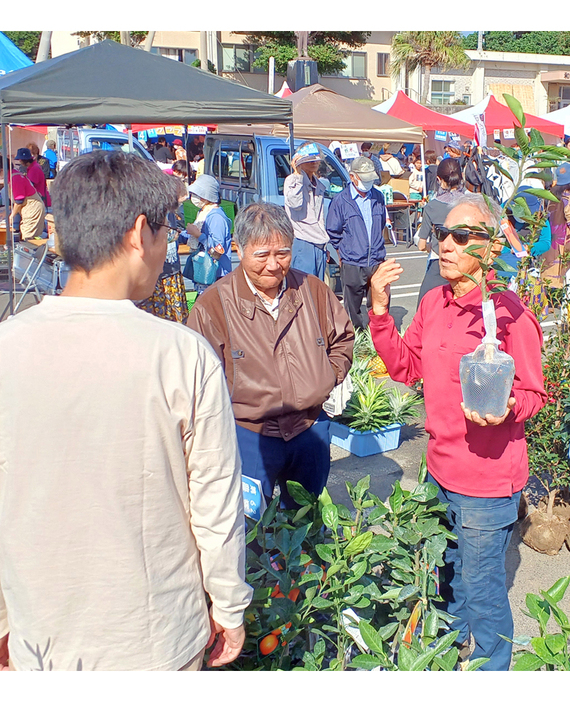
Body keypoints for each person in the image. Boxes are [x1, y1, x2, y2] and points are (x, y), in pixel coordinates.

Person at [0, 150, 252, 671]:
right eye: (165, 232)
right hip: (156, 634)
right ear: (141, 233)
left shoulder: (8, 347)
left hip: (38, 634)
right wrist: (228, 604)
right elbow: (214, 503)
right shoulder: (181, 355)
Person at [367, 193, 546, 670]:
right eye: (442, 234)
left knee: (484, 590)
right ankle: (449, 655)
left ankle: (492, 668)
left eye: (461, 236)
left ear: (489, 250)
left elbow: (534, 394)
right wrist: (381, 315)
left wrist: (508, 408)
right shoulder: (432, 303)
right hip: (439, 470)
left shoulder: (510, 315)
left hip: (486, 483)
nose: (445, 244)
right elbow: (406, 368)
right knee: (447, 578)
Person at [188, 202, 354, 502]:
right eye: (262, 255)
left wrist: (327, 376)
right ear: (237, 249)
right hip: (248, 433)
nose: (274, 265)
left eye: (283, 253)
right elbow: (196, 375)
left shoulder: (312, 289)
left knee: (306, 521)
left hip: (310, 428)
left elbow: (342, 338)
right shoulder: (213, 305)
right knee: (250, 529)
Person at [326, 156, 388, 329]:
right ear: (352, 177)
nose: (369, 183)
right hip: (352, 261)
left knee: (378, 302)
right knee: (352, 306)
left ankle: (376, 337)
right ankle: (357, 338)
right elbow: (333, 230)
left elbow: (381, 223)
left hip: (376, 260)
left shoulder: (378, 197)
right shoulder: (341, 200)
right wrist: (344, 250)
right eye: (365, 179)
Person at [136, 171, 190, 323]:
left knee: (177, 319)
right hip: (159, 274)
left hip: (172, 270)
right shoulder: (155, 214)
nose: (180, 205)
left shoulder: (172, 214)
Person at [416, 157, 465, 305]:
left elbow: (421, 244)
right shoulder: (471, 203)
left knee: (426, 305)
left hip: (439, 262)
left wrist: (430, 246)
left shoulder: (432, 206)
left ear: (438, 179)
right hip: (466, 261)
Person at [284, 141, 330, 280]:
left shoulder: (318, 183)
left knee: (317, 288)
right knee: (303, 289)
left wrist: (324, 245)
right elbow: (295, 203)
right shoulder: (292, 180)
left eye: (316, 158)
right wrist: (297, 174)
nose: (313, 162)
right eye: (308, 159)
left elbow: (320, 218)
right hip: (302, 242)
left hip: (319, 243)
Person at [186, 175, 233, 295]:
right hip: (204, 273)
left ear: (207, 196)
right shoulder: (203, 213)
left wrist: (197, 234)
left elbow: (217, 249)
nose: (194, 197)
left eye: (197, 194)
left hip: (217, 275)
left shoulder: (216, 217)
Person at [541, 163, 570, 287]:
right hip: (563, 237)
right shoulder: (568, 196)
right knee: (562, 266)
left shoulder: (551, 193)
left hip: (551, 234)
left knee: (549, 263)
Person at [10, 148, 47, 241]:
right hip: (34, 202)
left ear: (23, 160)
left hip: (35, 202)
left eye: (20, 160)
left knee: (29, 239)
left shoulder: (34, 169)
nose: (19, 162)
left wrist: (12, 215)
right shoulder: (33, 167)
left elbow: (21, 197)